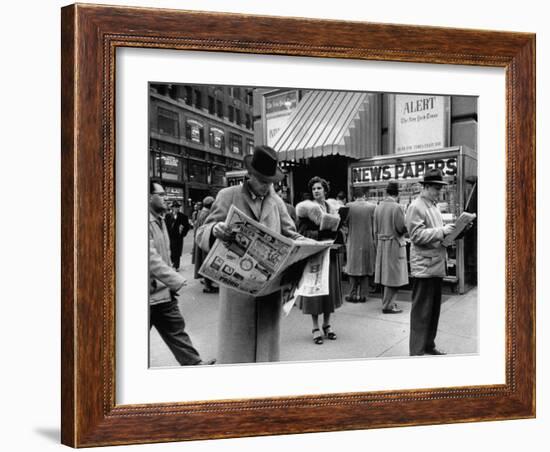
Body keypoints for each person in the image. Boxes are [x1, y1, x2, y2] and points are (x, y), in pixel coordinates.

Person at [196, 146, 303, 363]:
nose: (267, 187)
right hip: (238, 291)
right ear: (250, 176)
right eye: (263, 182)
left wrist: (307, 245)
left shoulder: (277, 202)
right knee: (237, 353)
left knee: (265, 354)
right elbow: (201, 232)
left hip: (268, 290)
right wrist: (215, 229)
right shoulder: (228, 196)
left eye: (270, 182)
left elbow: (292, 234)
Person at [149, 180, 212, 365]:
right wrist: (176, 279)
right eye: (160, 195)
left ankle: (196, 365)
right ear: (148, 197)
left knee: (177, 331)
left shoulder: (159, 218)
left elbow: (164, 255)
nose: (165, 198)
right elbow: (149, 257)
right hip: (148, 295)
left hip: (163, 293)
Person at [405, 169, 456, 356]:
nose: (438, 192)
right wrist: (442, 231)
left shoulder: (432, 206)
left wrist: (451, 233)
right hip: (424, 267)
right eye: (435, 188)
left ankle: (428, 344)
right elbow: (416, 236)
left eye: (440, 189)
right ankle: (417, 351)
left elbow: (432, 233)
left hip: (435, 265)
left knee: (433, 311)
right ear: (425, 187)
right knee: (421, 312)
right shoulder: (416, 206)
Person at [295, 176, 343, 345]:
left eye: (319, 188)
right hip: (315, 253)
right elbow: (300, 233)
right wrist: (319, 234)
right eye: (314, 188)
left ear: (325, 190)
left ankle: (327, 324)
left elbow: (340, 229)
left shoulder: (332, 207)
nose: (316, 191)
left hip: (331, 252)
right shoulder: (306, 209)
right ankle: (315, 327)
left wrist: (337, 232)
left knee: (328, 289)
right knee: (316, 290)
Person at [374, 180, 408, 314]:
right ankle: (388, 305)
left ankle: (387, 301)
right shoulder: (397, 207)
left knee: (385, 275)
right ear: (397, 194)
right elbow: (401, 228)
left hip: (382, 243)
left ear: (386, 192)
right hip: (394, 243)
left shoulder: (378, 207)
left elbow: (375, 228)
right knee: (393, 276)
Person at [344, 190, 376, 303]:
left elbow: (344, 223)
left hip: (353, 241)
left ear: (354, 196)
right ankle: (363, 295)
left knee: (353, 268)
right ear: (364, 196)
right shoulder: (372, 207)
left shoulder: (348, 206)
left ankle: (352, 294)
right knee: (365, 268)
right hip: (368, 241)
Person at [193, 195, 218, 293]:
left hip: (201, 241)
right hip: (205, 241)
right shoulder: (207, 213)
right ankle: (208, 286)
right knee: (207, 262)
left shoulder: (202, 212)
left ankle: (206, 282)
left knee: (204, 262)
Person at [164, 201, 190, 271]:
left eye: (178, 207)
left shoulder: (183, 216)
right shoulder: (168, 216)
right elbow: (165, 226)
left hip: (178, 237)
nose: (177, 209)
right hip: (170, 237)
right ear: (172, 208)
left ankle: (176, 266)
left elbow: (187, 227)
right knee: (171, 250)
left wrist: (183, 234)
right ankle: (172, 263)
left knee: (177, 252)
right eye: (175, 207)